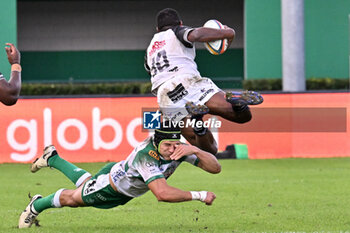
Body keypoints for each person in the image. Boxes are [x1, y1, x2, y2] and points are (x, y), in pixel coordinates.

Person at [18, 124, 221, 228]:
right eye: (166, 145)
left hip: (120, 176)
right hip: (111, 186)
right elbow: (162, 193)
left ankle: (52, 158)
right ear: (156, 143)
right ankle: (36, 205)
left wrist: (195, 150)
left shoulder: (179, 149)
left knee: (87, 184)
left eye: (175, 144)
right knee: (73, 199)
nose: (171, 149)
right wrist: (200, 195)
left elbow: (215, 168)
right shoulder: (146, 156)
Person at [144, 8, 263, 154]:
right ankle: (238, 104)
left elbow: (151, 70)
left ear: (157, 29)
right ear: (180, 23)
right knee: (243, 117)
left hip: (166, 94)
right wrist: (228, 33)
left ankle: (198, 121)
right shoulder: (177, 31)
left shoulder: (149, 50)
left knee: (208, 148)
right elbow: (197, 34)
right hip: (188, 81)